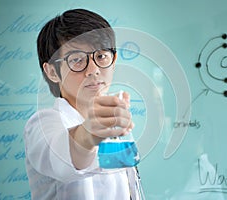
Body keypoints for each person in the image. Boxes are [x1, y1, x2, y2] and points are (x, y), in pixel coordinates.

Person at [24, 8, 143, 199]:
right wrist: (89, 133)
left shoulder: (114, 120)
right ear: (52, 72)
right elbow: (62, 160)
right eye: (77, 60)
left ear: (114, 60)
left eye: (101, 56)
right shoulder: (42, 125)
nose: (93, 70)